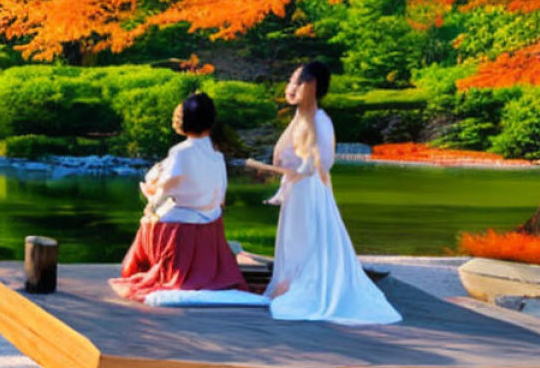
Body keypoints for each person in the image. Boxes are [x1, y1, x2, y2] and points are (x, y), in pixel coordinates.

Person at [252, 62, 401, 325]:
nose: (291, 87)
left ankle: (304, 287)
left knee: (308, 240)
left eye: (298, 82)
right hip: (297, 191)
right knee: (294, 242)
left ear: (311, 87)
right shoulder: (300, 118)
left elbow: (324, 161)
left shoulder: (320, 120)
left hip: (309, 193)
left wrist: (300, 171)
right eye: (291, 81)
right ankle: (290, 282)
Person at [110, 92, 248, 300]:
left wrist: (151, 202)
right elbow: (220, 197)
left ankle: (143, 268)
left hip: (180, 226)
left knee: (148, 220)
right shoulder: (217, 155)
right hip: (210, 223)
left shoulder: (182, 152)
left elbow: (166, 187)